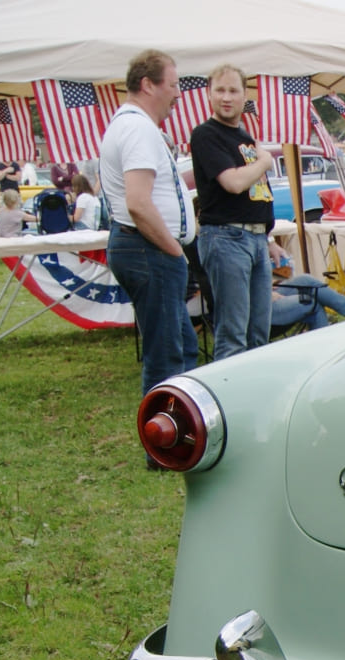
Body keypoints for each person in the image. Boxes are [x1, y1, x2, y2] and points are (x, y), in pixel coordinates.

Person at [101, 49, 200, 432]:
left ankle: (183, 429)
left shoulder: (131, 126)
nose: (178, 94)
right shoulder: (138, 129)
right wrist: (175, 251)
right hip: (149, 250)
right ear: (148, 85)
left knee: (181, 344)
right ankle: (165, 442)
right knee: (165, 353)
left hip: (144, 248)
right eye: (173, 85)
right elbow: (139, 203)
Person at [190, 64, 275, 360]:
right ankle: (228, 403)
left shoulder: (244, 137)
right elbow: (234, 183)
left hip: (257, 240)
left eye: (233, 90)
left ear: (244, 95)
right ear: (209, 94)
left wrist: (269, 239)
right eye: (220, 90)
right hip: (226, 238)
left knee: (259, 334)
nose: (226, 97)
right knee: (233, 335)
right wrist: (265, 161)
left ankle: (254, 401)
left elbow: (256, 192)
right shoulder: (206, 135)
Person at [270, 273, 345, 329]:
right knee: (311, 303)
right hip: (257, 306)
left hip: (264, 293)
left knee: (306, 280)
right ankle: (321, 352)